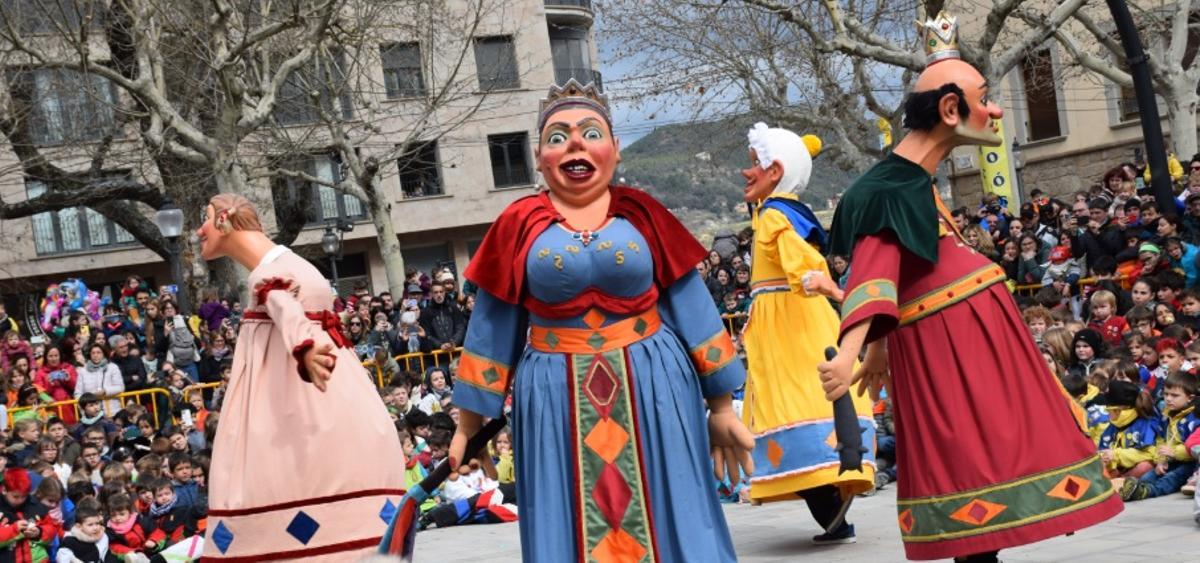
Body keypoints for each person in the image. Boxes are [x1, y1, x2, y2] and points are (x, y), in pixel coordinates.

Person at [820, 13, 1120, 561]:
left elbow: (901, 267)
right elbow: (873, 271)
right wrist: (850, 351)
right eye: (986, 98)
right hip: (948, 357)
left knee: (984, 477)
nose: (997, 109)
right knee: (970, 475)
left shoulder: (912, 182)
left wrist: (880, 348)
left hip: (964, 353)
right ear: (952, 110)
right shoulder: (888, 187)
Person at [448, 80, 753, 562]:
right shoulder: (517, 222)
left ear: (614, 149)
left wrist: (722, 408)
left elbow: (693, 308)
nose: (574, 144)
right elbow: (492, 327)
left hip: (654, 387)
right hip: (554, 395)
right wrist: (469, 428)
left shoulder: (644, 214)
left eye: (590, 132)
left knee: (673, 503)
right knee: (565, 517)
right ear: (538, 158)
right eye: (557, 137)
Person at [195, 193, 404, 561]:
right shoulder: (293, 265)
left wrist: (304, 346)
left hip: (294, 411)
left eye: (207, 218)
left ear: (225, 220)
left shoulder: (267, 275)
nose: (200, 229)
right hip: (339, 405)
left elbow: (284, 307)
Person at [737, 122, 875, 543]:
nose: (746, 173)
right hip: (791, 316)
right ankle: (834, 500)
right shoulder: (776, 212)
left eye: (753, 164)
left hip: (790, 322)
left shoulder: (775, 215)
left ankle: (833, 501)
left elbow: (799, 258)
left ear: (774, 171)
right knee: (802, 400)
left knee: (794, 400)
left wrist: (827, 286)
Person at [1120, 371, 1200, 500]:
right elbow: (1161, 440)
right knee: (1147, 477)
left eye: (1174, 395)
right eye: (1166, 394)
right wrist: (1160, 461)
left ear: (1190, 398)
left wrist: (1174, 452)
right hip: (1171, 460)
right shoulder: (1166, 415)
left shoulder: (1194, 418)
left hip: (1191, 463)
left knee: (1171, 478)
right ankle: (1134, 489)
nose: (1168, 399)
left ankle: (1147, 492)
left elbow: (1196, 447)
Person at [1098, 379, 1161, 480]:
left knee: (1145, 467)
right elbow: (1102, 448)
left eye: (1111, 410)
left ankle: (1123, 484)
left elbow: (1150, 454)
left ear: (1122, 410)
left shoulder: (1145, 424)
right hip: (1119, 469)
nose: (1108, 414)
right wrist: (1104, 457)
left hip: (1137, 469)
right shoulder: (1112, 426)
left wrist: (1117, 455)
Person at [75, 344, 124, 416]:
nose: (95, 355)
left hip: (112, 411)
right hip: (91, 414)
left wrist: (105, 391)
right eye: (93, 353)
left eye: (98, 352)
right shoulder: (83, 371)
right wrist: (84, 410)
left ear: (103, 354)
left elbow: (120, 387)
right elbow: (78, 393)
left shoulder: (112, 367)